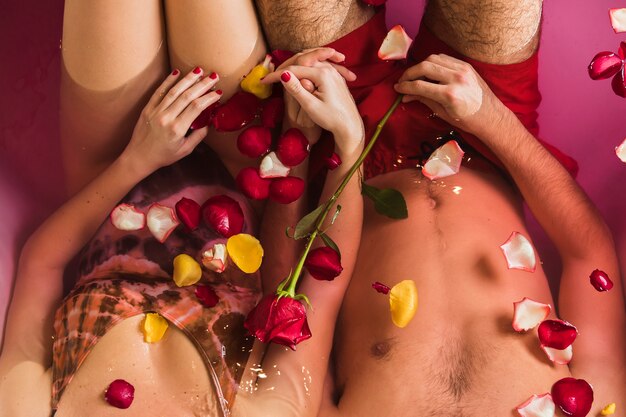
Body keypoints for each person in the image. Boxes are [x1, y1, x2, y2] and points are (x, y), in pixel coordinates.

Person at [255, 0, 626, 416]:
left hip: (339, 140)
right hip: (484, 134)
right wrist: (491, 118)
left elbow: (288, 306)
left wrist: (298, 142)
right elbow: (589, 254)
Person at [0, 2, 364, 417]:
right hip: (241, 162)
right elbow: (311, 289)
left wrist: (136, 161)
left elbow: (40, 264)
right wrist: (341, 142)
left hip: (109, 166)